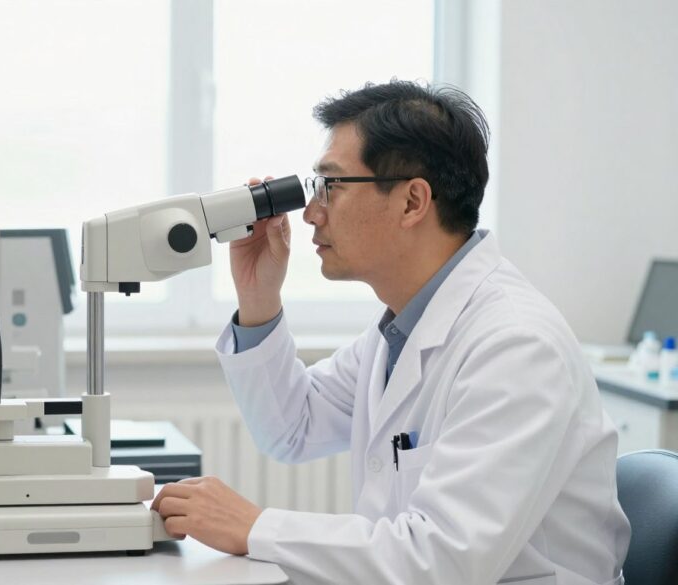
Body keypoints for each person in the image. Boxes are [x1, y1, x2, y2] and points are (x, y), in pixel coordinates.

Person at [153, 81, 630, 584]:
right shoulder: (402, 330)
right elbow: (292, 428)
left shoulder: (517, 347)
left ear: (412, 202)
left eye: (330, 187)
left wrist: (254, 527)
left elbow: (443, 559)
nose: (312, 213)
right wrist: (258, 298)